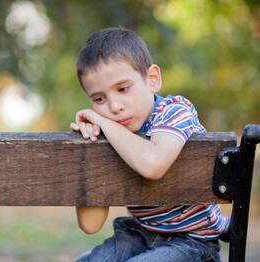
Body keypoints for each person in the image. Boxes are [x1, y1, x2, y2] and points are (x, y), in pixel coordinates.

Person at [70, 28, 229, 262]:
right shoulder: (110, 132)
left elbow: (152, 164)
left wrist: (103, 121)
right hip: (138, 235)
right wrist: (91, 146)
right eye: (99, 99)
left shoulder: (174, 111)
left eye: (123, 89)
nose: (114, 106)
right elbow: (91, 224)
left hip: (193, 242)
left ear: (152, 79)